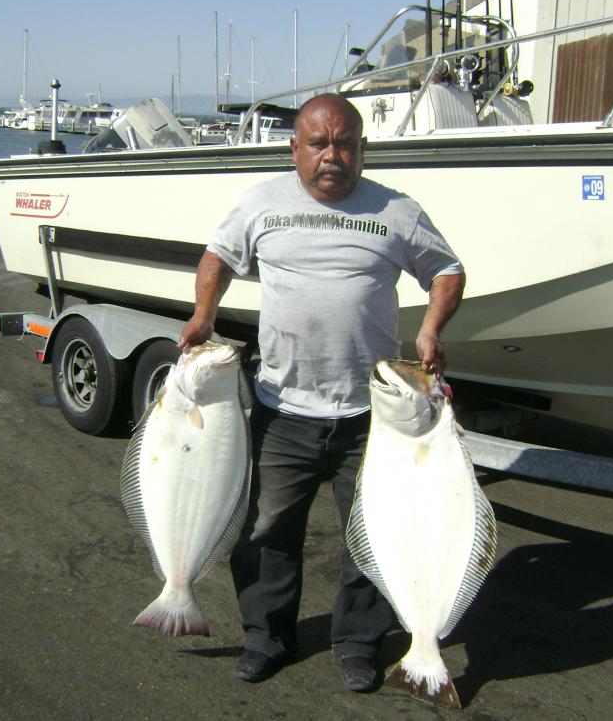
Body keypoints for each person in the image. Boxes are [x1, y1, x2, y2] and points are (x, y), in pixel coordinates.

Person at [177, 93, 465, 693]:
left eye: (345, 143)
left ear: (362, 148)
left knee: (375, 532)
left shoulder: (396, 210)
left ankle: (358, 643)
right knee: (266, 532)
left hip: (376, 416)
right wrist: (205, 313)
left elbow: (446, 270)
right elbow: (218, 256)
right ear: (295, 149)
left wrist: (431, 327)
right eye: (318, 143)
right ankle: (266, 636)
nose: (332, 156)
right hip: (283, 408)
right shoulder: (263, 203)